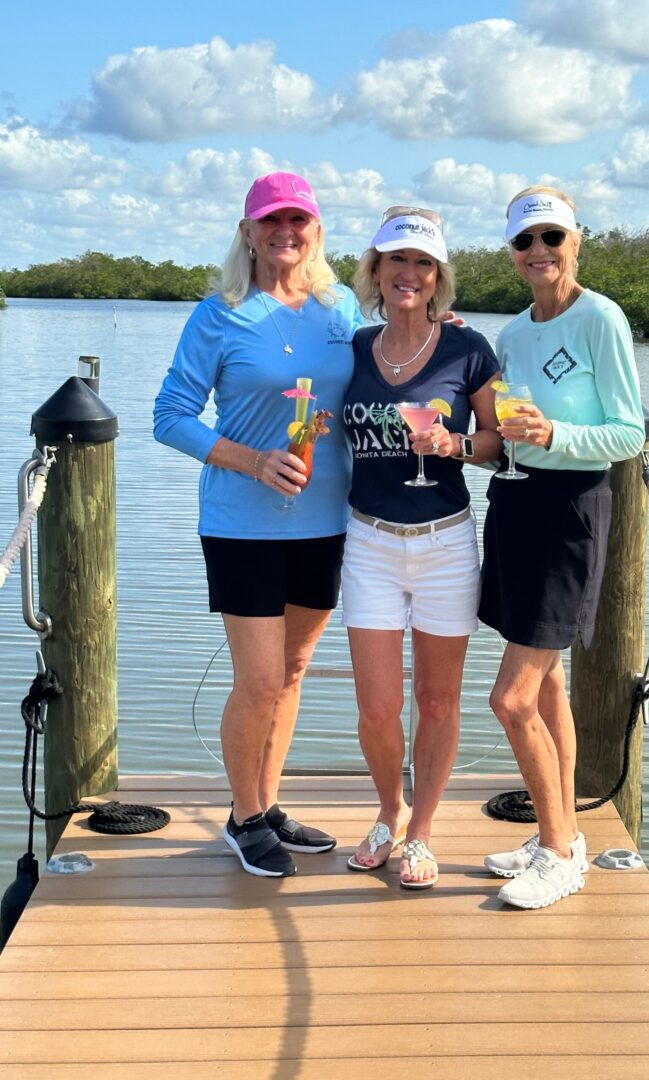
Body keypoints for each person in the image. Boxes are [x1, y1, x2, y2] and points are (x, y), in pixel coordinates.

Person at [153, 171, 363, 877]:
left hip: (326, 520)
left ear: (316, 231)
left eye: (298, 221)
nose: (285, 233)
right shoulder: (219, 314)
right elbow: (170, 416)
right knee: (260, 677)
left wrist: (438, 328)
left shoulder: (340, 315)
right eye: (270, 221)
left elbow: (385, 374)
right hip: (242, 523)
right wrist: (251, 460)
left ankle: (268, 806)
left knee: (294, 671)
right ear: (247, 232)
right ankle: (243, 819)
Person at [479, 185, 645, 909]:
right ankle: (561, 829)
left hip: (573, 508)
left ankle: (558, 852)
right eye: (525, 242)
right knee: (545, 686)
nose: (540, 253)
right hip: (516, 502)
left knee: (509, 697)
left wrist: (558, 436)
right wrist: (491, 444)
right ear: (512, 254)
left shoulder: (601, 318)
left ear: (576, 240)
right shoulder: (513, 333)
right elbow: (513, 430)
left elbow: (628, 433)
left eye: (552, 238)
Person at [341, 206, 501, 889]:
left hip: (445, 544)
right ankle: (387, 810)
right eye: (396, 260)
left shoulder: (469, 350)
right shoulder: (350, 348)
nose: (409, 273)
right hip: (369, 542)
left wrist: (456, 444)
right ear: (375, 272)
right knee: (377, 706)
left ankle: (421, 833)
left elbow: (498, 442)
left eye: (423, 263)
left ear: (438, 279)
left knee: (436, 702)